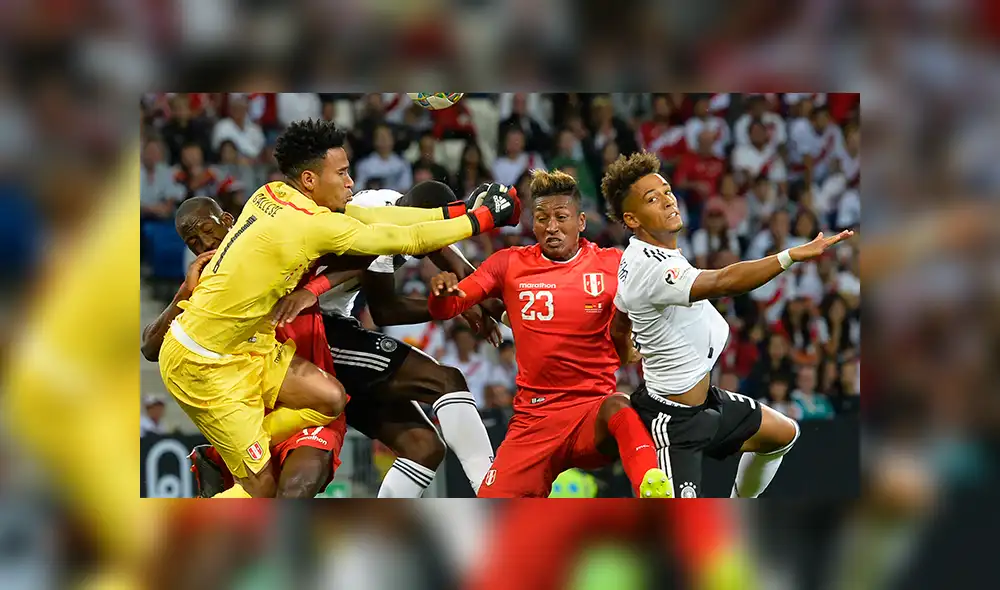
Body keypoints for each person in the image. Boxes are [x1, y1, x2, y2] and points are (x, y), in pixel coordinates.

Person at [157, 119, 521, 498]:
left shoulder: (273, 193)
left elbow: (415, 233)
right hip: (271, 341)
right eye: (343, 172)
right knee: (445, 382)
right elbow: (402, 252)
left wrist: (470, 216)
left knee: (412, 441)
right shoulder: (317, 224)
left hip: (260, 345)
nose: (351, 181)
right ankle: (494, 493)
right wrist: (482, 219)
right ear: (311, 179)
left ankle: (223, 457)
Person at [602, 151, 854, 498]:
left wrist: (625, 348)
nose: (667, 200)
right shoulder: (652, 268)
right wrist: (789, 255)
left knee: (783, 434)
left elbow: (619, 320)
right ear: (631, 218)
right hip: (673, 423)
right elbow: (723, 282)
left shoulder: (643, 253)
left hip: (708, 403)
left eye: (666, 191)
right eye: (651, 198)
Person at [428, 170, 670, 498]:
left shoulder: (614, 264)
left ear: (581, 221)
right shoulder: (509, 264)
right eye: (541, 218)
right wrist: (442, 294)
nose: (551, 227)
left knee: (620, 406)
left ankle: (653, 489)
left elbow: (666, 293)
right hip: (534, 420)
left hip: (591, 412)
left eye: (561, 217)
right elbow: (449, 307)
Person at [268, 181, 507, 497]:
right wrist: (453, 307)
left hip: (330, 327)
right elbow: (386, 311)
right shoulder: (378, 226)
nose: (432, 245)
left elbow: (468, 274)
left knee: (423, 447)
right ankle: (493, 492)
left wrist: (512, 314)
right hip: (313, 332)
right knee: (446, 380)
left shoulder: (411, 212)